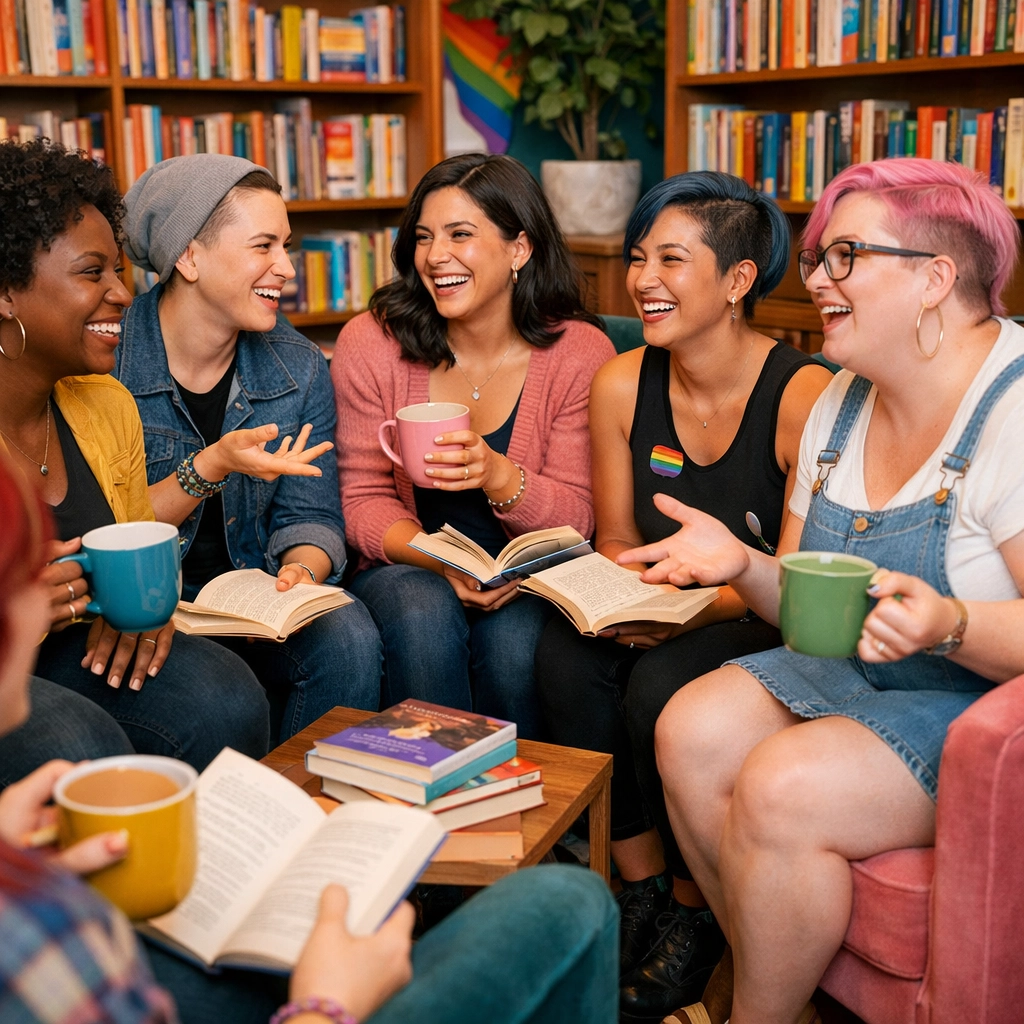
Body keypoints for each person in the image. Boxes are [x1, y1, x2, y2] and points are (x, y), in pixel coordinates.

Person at [0, 451, 620, 1024]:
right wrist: (327, 1003)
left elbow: (313, 514)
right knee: (575, 900)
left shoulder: (34, 899)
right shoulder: (43, 937)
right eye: (39, 568)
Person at [619, 158, 1024, 1024]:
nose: (816, 280)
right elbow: (804, 607)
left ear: (935, 279)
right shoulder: (839, 401)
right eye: (814, 259)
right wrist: (741, 562)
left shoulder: (1013, 413)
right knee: (686, 728)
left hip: (981, 705)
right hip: (856, 673)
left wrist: (949, 623)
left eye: (845, 256)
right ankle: (785, 995)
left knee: (780, 784)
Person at [535, 171, 833, 1019]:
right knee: (562, 652)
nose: (643, 280)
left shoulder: (803, 395)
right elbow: (618, 536)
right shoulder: (623, 384)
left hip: (754, 615)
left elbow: (793, 571)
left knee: (665, 689)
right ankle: (641, 889)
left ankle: (697, 915)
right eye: (637, 259)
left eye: (671, 258)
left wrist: (693, 603)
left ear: (738, 281)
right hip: (656, 602)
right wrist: (630, 591)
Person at [0, 139, 270, 784]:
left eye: (119, 271)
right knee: (77, 739)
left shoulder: (104, 403)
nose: (123, 294)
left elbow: (133, 538)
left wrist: (144, 611)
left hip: (81, 647)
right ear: (6, 293)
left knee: (226, 696)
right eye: (92, 273)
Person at [333, 154, 615, 739]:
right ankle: (436, 798)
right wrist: (437, 560)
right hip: (409, 562)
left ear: (520, 248)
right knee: (421, 614)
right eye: (424, 237)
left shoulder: (579, 353)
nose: (436, 256)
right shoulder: (373, 340)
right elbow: (360, 499)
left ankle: (524, 812)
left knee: (515, 647)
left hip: (532, 574)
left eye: (461, 234)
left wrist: (497, 475)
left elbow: (580, 518)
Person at [115, 155, 382, 742]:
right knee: (213, 695)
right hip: (156, 612)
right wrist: (212, 465)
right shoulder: (107, 367)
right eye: (263, 246)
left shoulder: (300, 367)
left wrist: (299, 572)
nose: (285, 267)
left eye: (285, 245)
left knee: (349, 633)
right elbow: (111, 532)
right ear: (189, 256)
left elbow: (310, 516)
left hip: (254, 595)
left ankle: (315, 822)